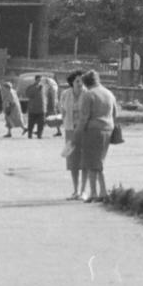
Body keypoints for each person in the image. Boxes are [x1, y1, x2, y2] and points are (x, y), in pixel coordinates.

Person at [75, 69, 117, 202]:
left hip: (93, 130)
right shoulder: (109, 93)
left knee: (91, 162)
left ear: (86, 83)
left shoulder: (89, 95)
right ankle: (103, 191)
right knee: (99, 161)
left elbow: (84, 118)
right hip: (108, 128)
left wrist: (77, 133)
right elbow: (115, 113)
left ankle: (94, 193)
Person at [61, 70, 85, 198]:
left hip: (84, 131)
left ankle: (84, 190)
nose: (80, 83)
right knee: (73, 162)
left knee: (85, 160)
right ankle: (75, 190)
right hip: (70, 130)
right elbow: (62, 110)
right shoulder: (65, 94)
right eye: (77, 81)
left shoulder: (87, 94)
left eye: (82, 80)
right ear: (72, 83)